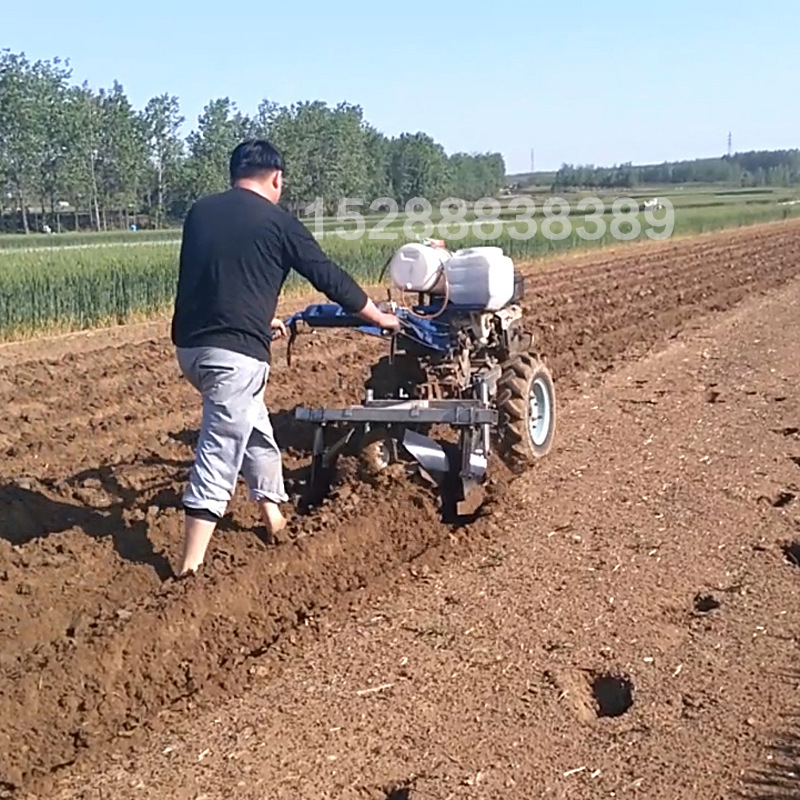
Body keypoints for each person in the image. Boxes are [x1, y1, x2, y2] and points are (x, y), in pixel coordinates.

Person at [171, 139, 399, 576]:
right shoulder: (278, 222)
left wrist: (260, 320)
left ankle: (274, 516)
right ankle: (189, 567)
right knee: (220, 448)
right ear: (276, 179)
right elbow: (328, 276)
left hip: (191, 349)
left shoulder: (200, 212)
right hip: (233, 355)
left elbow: (216, 277)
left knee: (253, 426)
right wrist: (378, 317)